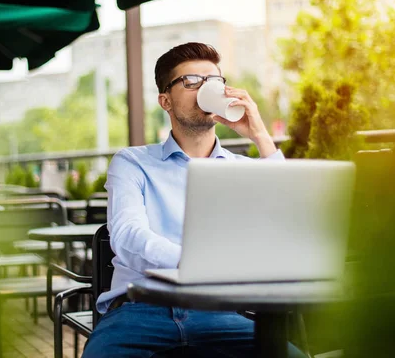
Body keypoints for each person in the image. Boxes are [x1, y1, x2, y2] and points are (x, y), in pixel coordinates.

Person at [82, 43, 305, 358]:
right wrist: (199, 264)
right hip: (140, 312)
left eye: (214, 81)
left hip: (217, 313)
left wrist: (259, 135)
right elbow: (127, 235)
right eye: (191, 81)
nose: (206, 88)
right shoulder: (132, 162)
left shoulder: (240, 169)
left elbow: (293, 215)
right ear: (166, 100)